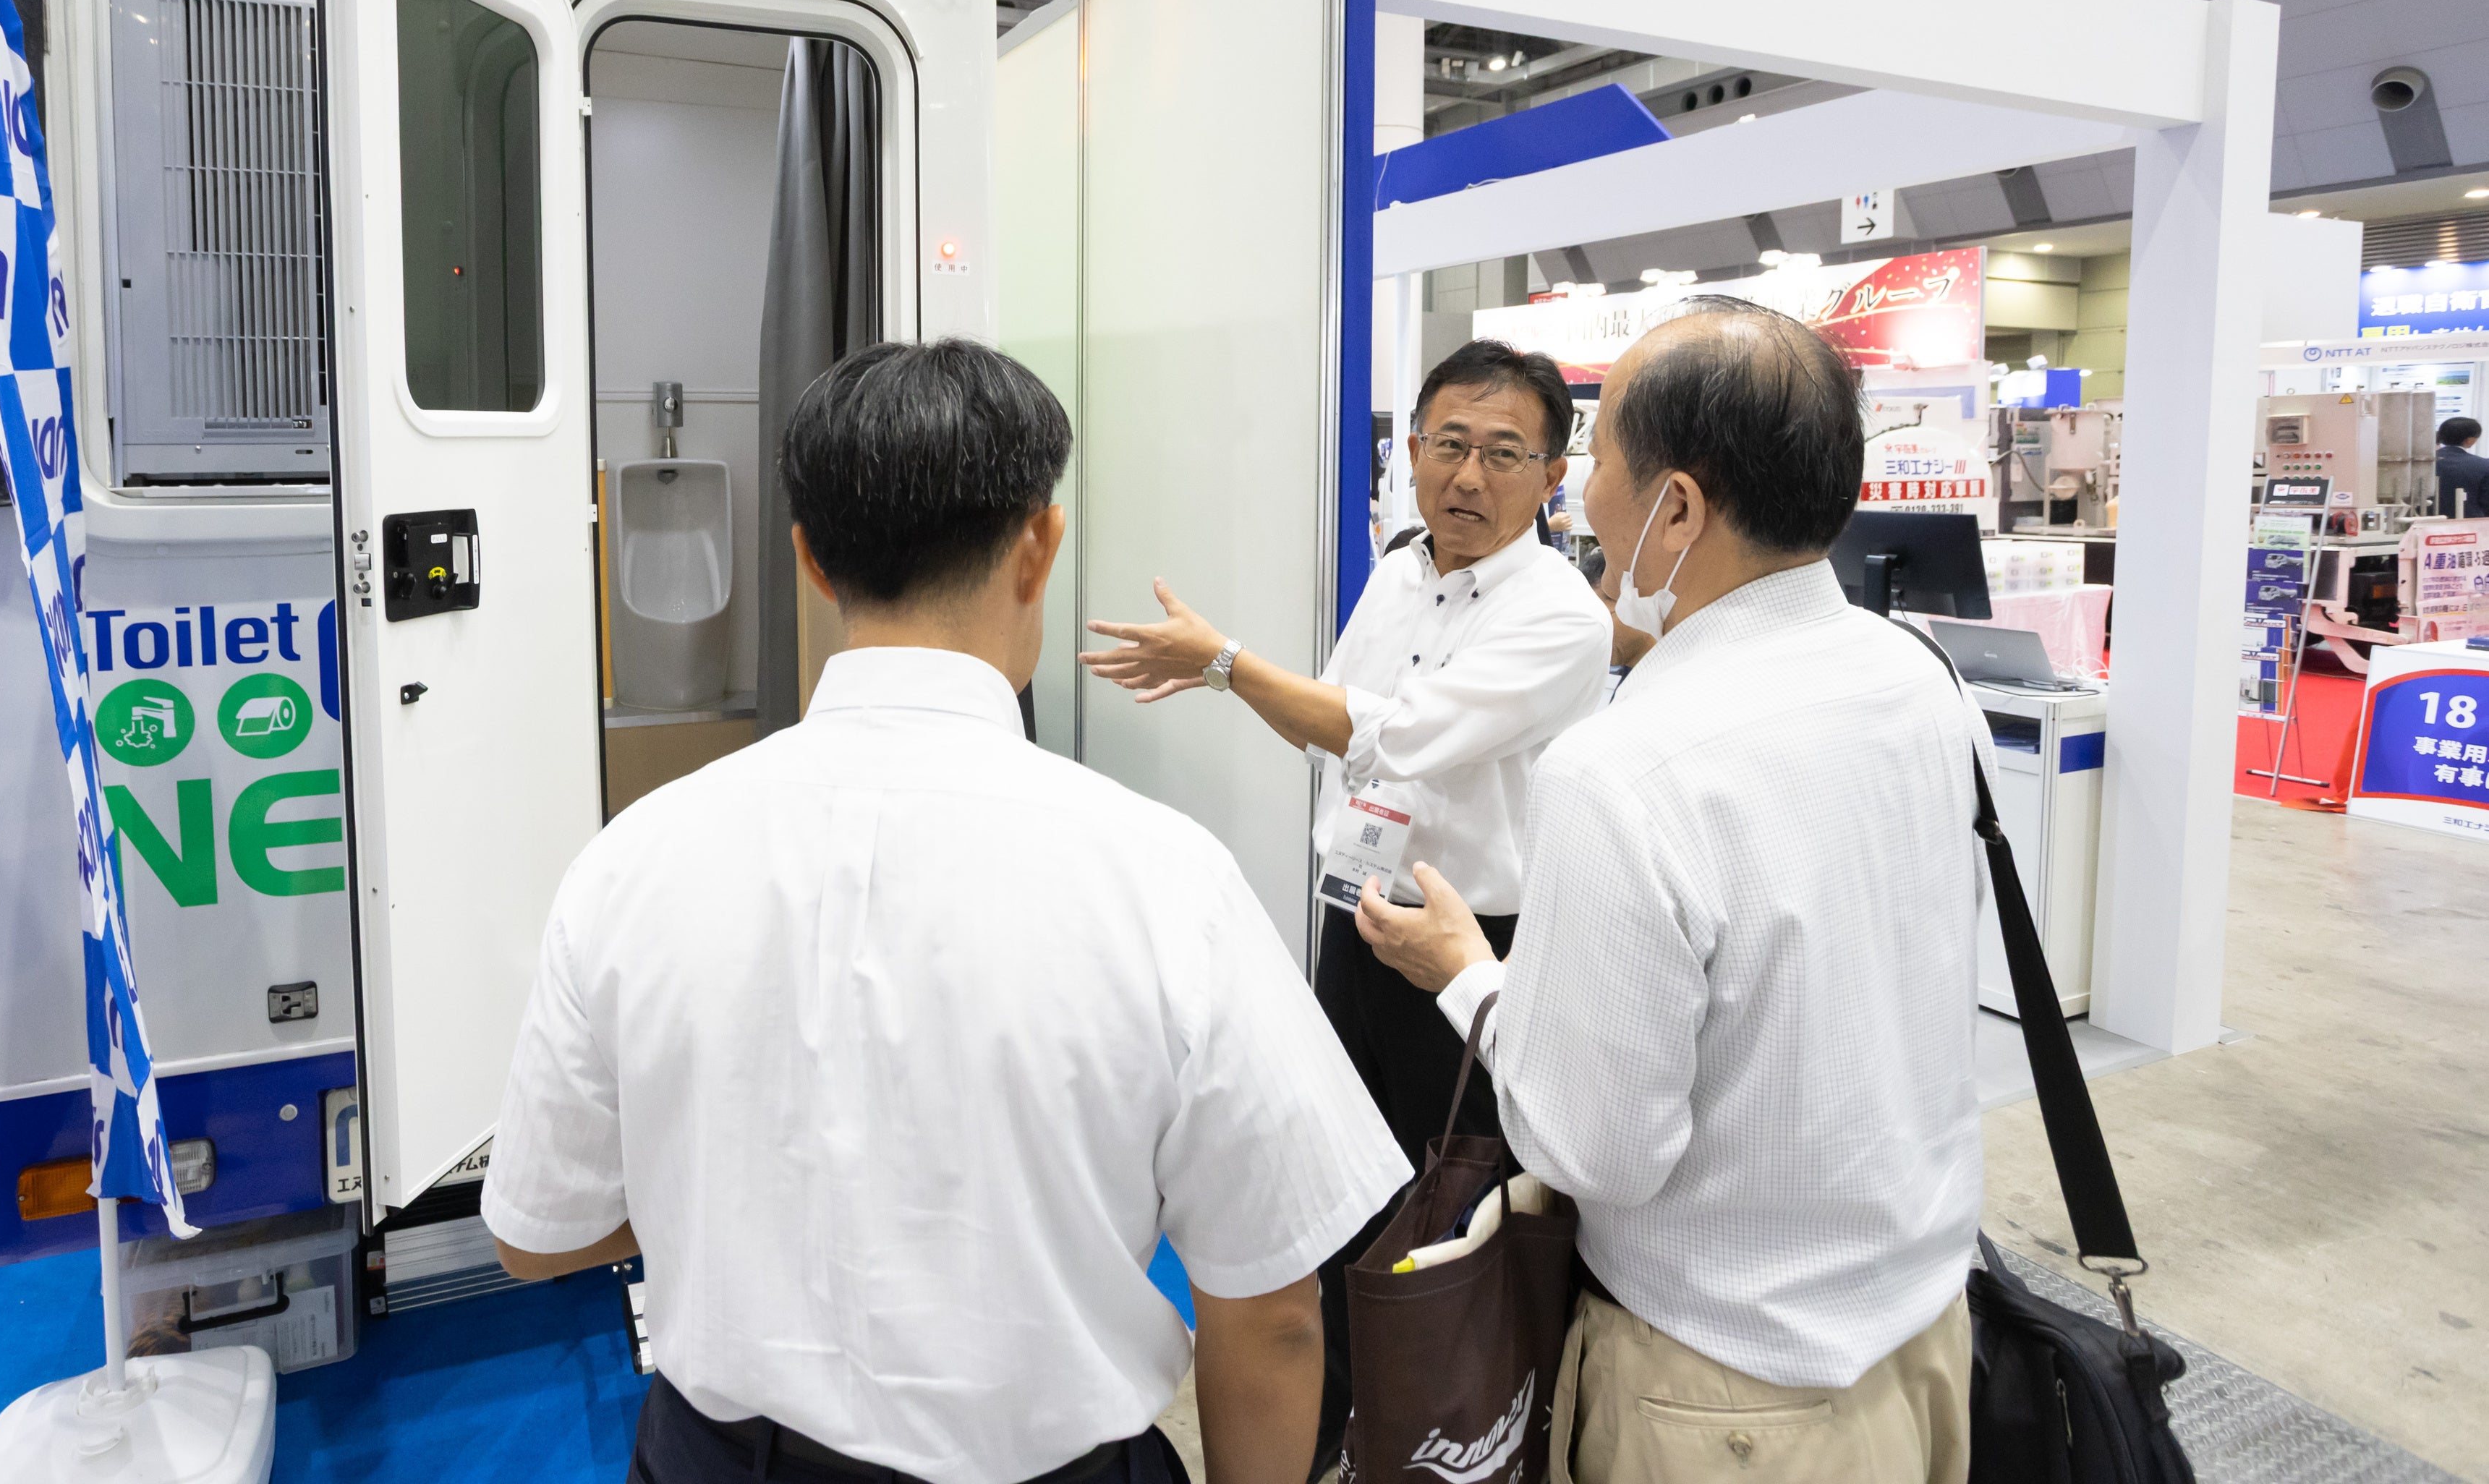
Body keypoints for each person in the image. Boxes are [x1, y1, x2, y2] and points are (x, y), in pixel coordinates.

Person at [482, 338, 1408, 1484]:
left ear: (809, 559)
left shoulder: (634, 859)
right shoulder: (1168, 881)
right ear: (1041, 545)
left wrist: (731, 1191)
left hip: (716, 1462)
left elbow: (537, 1235)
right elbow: (1272, 1309)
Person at [1359, 299, 1992, 1484]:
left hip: (1725, 1395)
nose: (1579, 499)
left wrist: (1471, 978)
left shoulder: (1626, 771)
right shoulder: (1922, 680)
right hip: (1928, 1325)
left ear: (1681, 508)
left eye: (1597, 460)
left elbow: (1597, 1148)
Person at [1078, 337, 1614, 1474]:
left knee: (1452, 1213)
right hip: (1356, 922)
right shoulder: (1399, 570)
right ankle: (1335, 1428)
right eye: (1448, 444)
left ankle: (1448, 1433)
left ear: (1551, 475)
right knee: (1332, 1188)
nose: (1467, 476)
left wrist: (1225, 664)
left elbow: (1396, 737)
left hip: (1473, 947)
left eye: (1504, 453)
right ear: (1411, 451)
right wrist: (1240, 682)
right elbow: (1335, 726)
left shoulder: (1561, 616)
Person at [2437, 417, 2489, 518]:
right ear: (2470, 440)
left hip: (2424, 522)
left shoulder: (2426, 463)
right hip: (2470, 523)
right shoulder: (2484, 465)